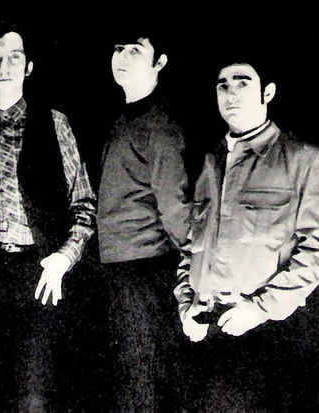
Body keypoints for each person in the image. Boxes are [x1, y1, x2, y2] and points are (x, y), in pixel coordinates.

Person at [0, 21, 97, 413]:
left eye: (14, 56)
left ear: (29, 67)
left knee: (34, 394)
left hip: (41, 273)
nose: (5, 66)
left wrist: (64, 258)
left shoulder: (55, 123)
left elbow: (83, 203)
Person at [173, 60, 319, 412]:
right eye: (222, 85)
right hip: (205, 332)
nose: (230, 93)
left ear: (268, 92)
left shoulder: (305, 161)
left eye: (242, 82)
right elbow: (191, 245)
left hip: (269, 335)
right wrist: (187, 303)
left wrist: (261, 309)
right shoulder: (210, 162)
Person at [95, 28, 191, 412]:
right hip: (121, 266)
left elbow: (175, 205)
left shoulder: (160, 124)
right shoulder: (126, 116)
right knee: (130, 377)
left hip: (146, 267)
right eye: (118, 48)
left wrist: (191, 269)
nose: (122, 57)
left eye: (135, 50)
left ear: (159, 62)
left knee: (141, 380)